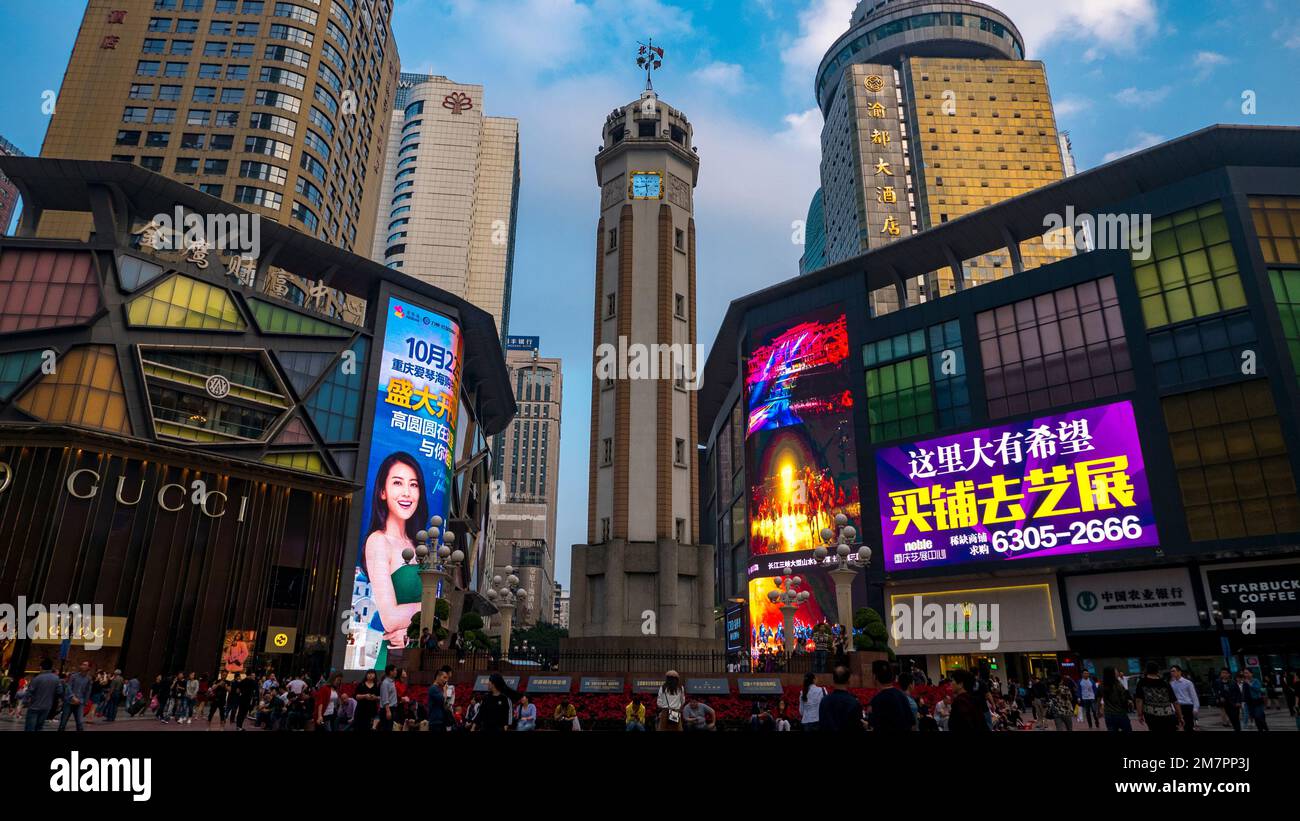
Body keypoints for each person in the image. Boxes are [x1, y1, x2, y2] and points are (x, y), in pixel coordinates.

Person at [361, 453, 429, 670]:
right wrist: (431, 610)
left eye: (414, 484)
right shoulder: (378, 541)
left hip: (415, 647)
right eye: (398, 483)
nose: (407, 493)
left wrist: (409, 624)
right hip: (393, 656)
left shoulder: (420, 544)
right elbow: (389, 618)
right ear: (382, 491)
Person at [867, 661, 914, 731]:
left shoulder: (877, 700)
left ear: (874, 677)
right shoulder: (902, 696)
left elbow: (874, 725)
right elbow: (911, 723)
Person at [1134, 662, 1181, 732]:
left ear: (1147, 670)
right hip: (1168, 715)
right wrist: (1180, 717)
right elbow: (1175, 701)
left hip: (1151, 716)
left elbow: (1139, 700)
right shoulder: (1165, 682)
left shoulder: (1142, 682)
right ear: (1157, 671)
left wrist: (1140, 715)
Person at [818, 664, 864, 732]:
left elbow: (822, 724)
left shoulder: (824, 701)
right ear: (848, 681)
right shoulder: (854, 703)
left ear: (833, 680)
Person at [24, 658, 60, 732]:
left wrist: (26, 702)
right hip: (46, 707)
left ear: (41, 667)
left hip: (34, 706)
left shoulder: (37, 678)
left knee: (30, 728)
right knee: (39, 727)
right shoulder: (56, 679)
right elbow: (59, 691)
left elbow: (29, 692)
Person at [58, 661, 92, 732]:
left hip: (80, 702)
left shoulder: (88, 679)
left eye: (85, 665)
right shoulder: (74, 676)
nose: (82, 666)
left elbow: (88, 691)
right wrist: (72, 697)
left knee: (80, 722)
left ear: (88, 667)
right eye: (82, 664)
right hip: (69, 702)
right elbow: (68, 687)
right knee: (63, 722)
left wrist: (85, 702)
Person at [1100, 667, 1134, 732]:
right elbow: (1123, 700)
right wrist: (1129, 702)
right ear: (1112, 674)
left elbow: (1100, 698)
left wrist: (1100, 709)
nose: (1118, 673)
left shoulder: (1102, 685)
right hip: (1120, 714)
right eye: (1116, 672)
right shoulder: (1118, 685)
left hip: (1108, 715)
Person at [1168, 665, 1199, 732]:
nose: (1172, 673)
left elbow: (1194, 696)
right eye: (1171, 671)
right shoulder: (1171, 684)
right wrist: (1173, 708)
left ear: (1179, 672)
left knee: (1188, 726)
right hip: (1176, 707)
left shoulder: (1188, 683)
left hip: (1187, 706)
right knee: (1176, 726)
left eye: (1173, 671)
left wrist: (1195, 708)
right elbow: (1171, 697)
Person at [1211, 667, 1242, 731]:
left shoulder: (1233, 682)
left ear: (1229, 674)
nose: (1224, 674)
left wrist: (1239, 702)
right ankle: (1236, 728)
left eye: (1226, 673)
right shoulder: (1218, 682)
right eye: (1223, 673)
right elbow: (1216, 691)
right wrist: (1219, 697)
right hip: (1225, 704)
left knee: (1235, 718)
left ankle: (1237, 729)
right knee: (1232, 718)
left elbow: (1238, 693)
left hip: (1234, 703)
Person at [426, 666, 453, 732]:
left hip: (440, 721)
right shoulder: (433, 688)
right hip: (436, 722)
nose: (446, 680)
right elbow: (443, 700)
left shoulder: (438, 689)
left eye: (447, 678)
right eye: (444, 677)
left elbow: (445, 704)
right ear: (438, 677)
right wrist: (445, 690)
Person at [377, 665, 399, 731]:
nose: (396, 672)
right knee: (386, 728)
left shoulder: (392, 682)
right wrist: (388, 711)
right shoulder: (385, 683)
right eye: (395, 670)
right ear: (390, 672)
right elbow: (385, 698)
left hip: (392, 708)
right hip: (387, 709)